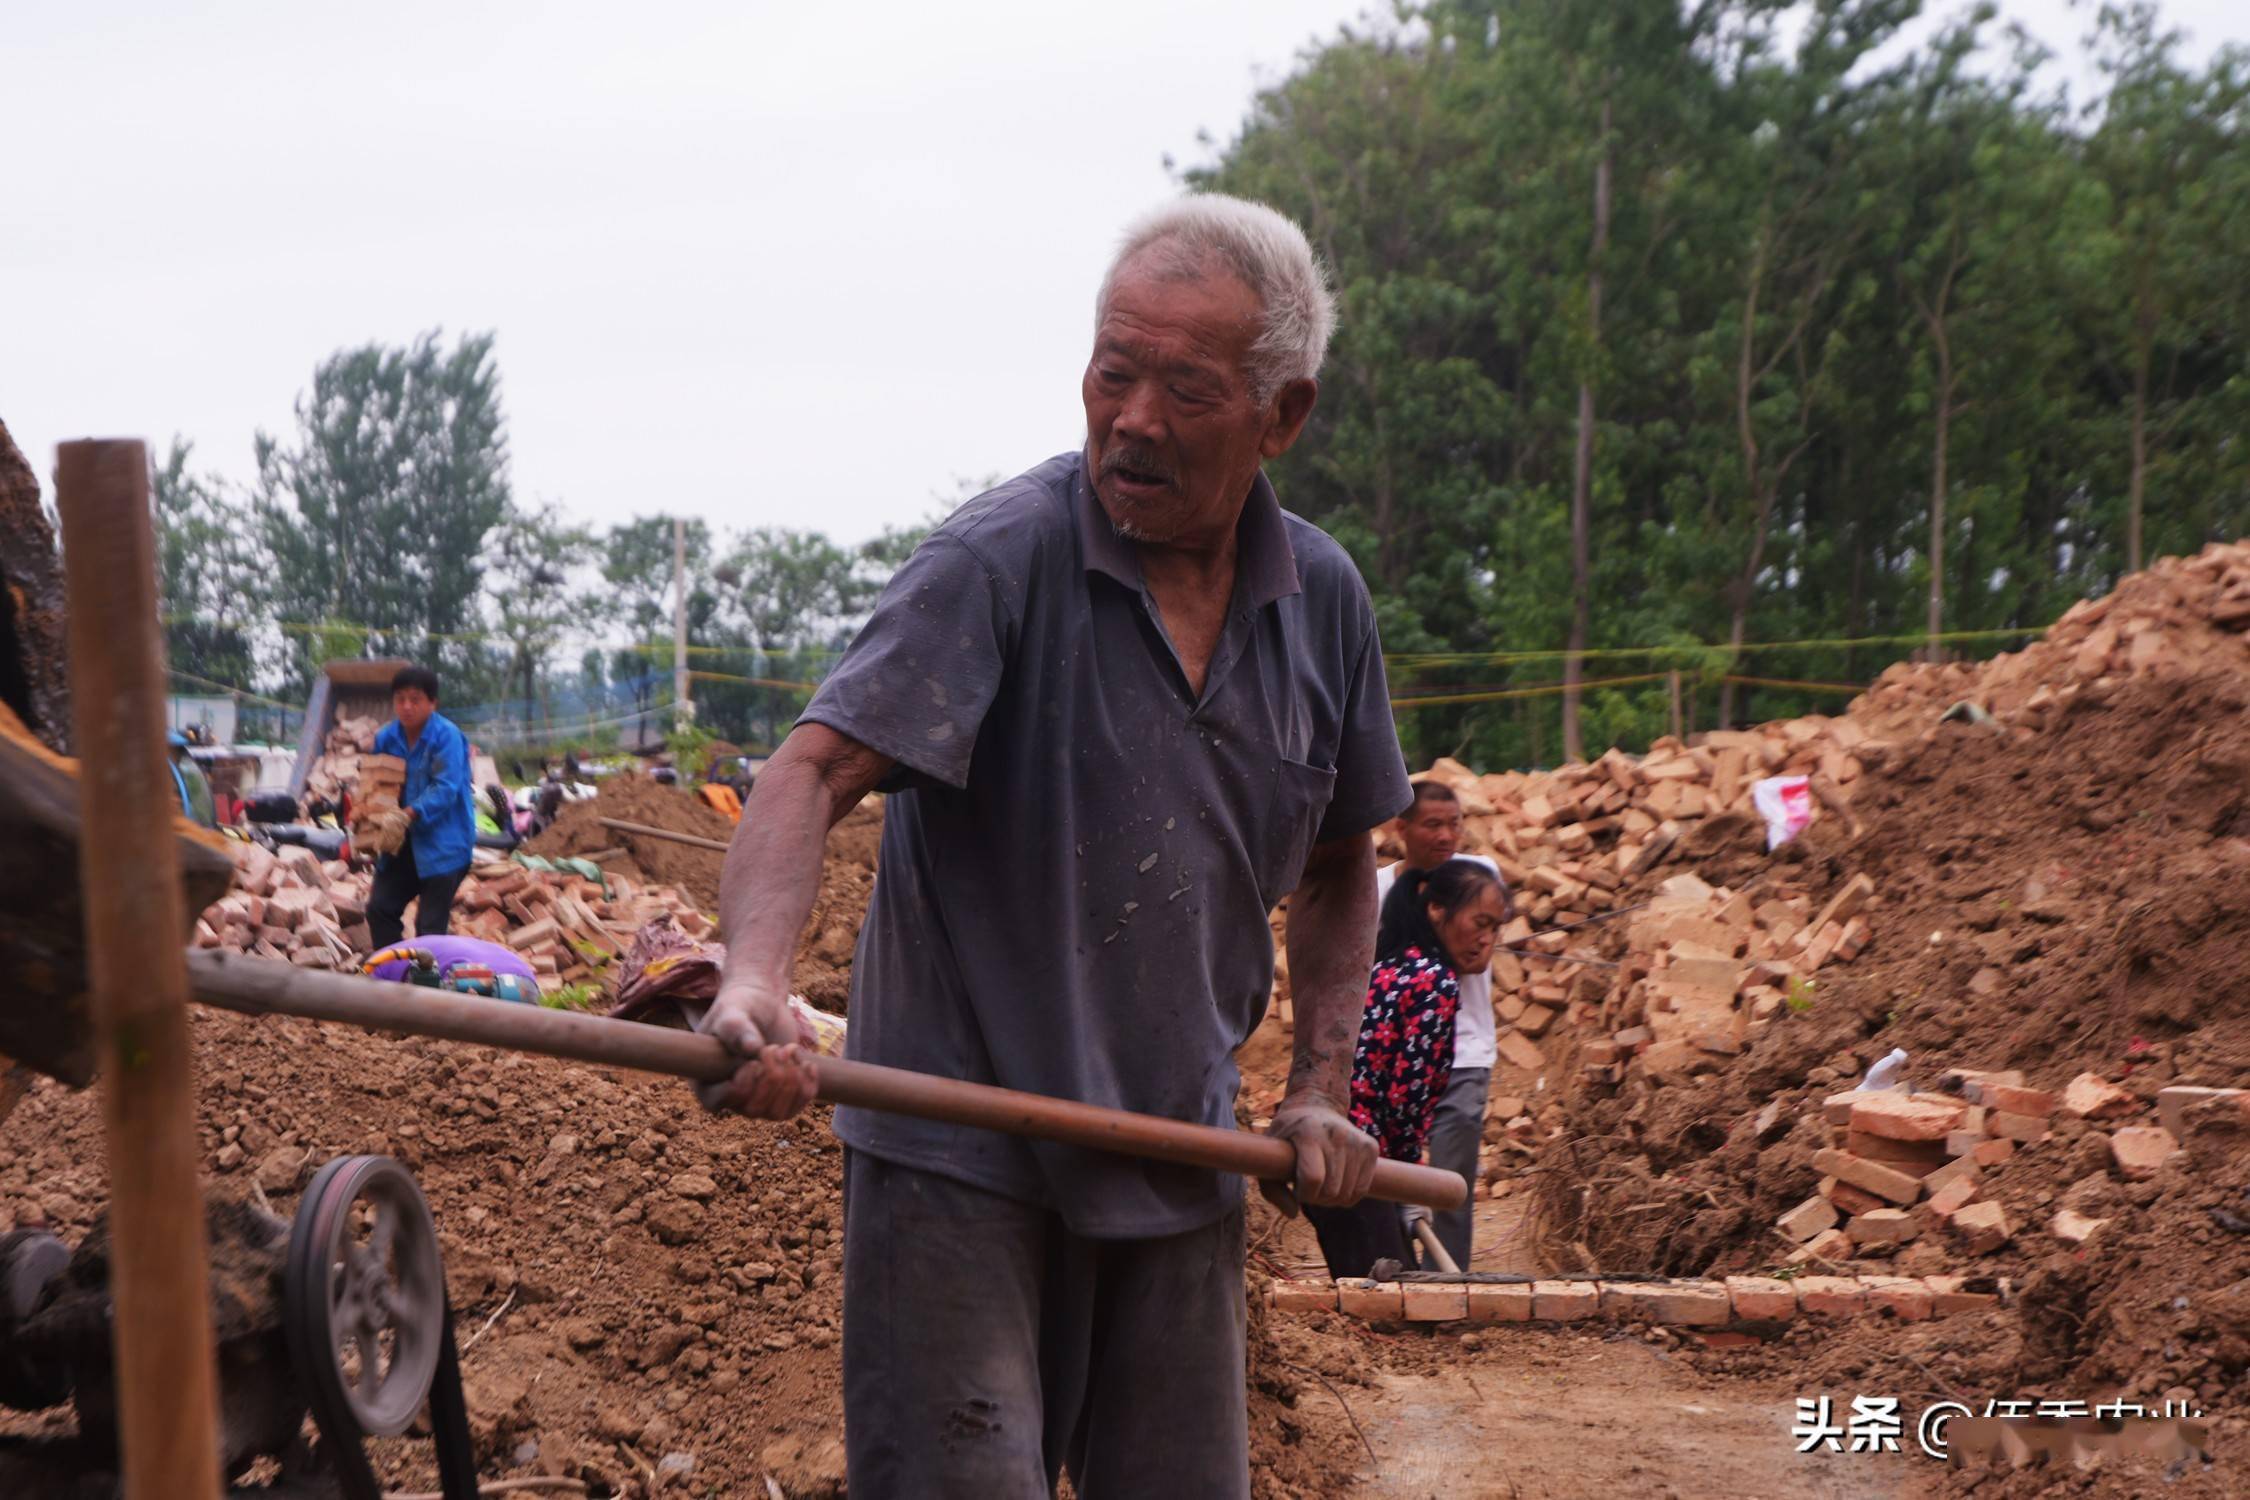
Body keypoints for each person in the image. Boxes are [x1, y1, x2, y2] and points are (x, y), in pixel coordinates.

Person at [695, 194, 1411, 1497]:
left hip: (1181, 1162)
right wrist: (751, 977)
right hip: (959, 1158)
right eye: (1111, 372)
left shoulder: (1324, 606)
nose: (1131, 419)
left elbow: (1337, 864)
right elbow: (809, 769)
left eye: (1184, 390)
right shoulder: (998, 561)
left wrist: (1316, 1086)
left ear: (1281, 416)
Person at [1304, 859, 1509, 1278]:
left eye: (1496, 929)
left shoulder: (1392, 965)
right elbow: (1404, 1100)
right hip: (1355, 1164)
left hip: (1328, 1149)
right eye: (1480, 923)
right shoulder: (1435, 982)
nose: (1487, 940)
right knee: (1394, 1317)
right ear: (1437, 910)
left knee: (1385, 1300)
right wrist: (1406, 1178)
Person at [1375, 780, 1509, 1268]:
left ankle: (1449, 1287)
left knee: (1452, 1179)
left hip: (1464, 1053)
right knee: (1390, 1174)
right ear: (1401, 828)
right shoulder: (1379, 888)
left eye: (1455, 823)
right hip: (1399, 1058)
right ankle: (1396, 1273)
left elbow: (1474, 959)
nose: (1447, 835)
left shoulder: (1482, 876)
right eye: (1433, 824)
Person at [364, 665, 476, 950]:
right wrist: (367, 818)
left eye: (415, 699)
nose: (406, 707)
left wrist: (408, 814)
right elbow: (377, 784)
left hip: (445, 846)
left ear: (432, 703)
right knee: (379, 908)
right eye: (400, 699)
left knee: (429, 927)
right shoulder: (386, 739)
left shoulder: (446, 736)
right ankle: (393, 980)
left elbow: (445, 788)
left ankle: (428, 989)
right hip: (401, 843)